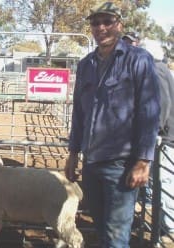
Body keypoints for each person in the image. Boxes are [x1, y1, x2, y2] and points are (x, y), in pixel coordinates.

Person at [64, 2, 161, 248]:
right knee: (102, 228)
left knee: (117, 237)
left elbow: (149, 112)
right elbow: (79, 112)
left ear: (119, 25)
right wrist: (73, 153)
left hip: (122, 163)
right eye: (96, 23)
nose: (101, 27)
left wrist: (143, 161)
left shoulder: (138, 59)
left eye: (107, 22)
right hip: (91, 161)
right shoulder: (86, 64)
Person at [140, 39, 174, 245]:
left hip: (167, 138)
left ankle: (168, 229)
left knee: (166, 182)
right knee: (159, 181)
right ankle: (161, 223)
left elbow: (161, 104)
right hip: (166, 135)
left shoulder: (156, 70)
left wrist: (155, 131)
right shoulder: (161, 68)